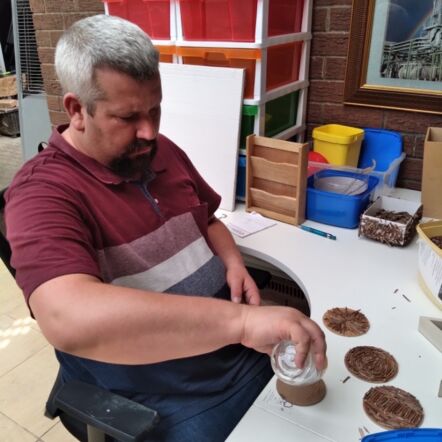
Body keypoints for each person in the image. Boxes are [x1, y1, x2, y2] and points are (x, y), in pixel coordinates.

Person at [5, 14, 326, 442]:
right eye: (128, 116)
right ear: (76, 109)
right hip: (163, 392)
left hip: (229, 353)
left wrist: (232, 262)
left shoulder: (159, 150)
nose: (150, 130)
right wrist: (243, 324)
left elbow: (207, 217)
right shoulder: (42, 192)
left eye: (155, 109)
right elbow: (68, 317)